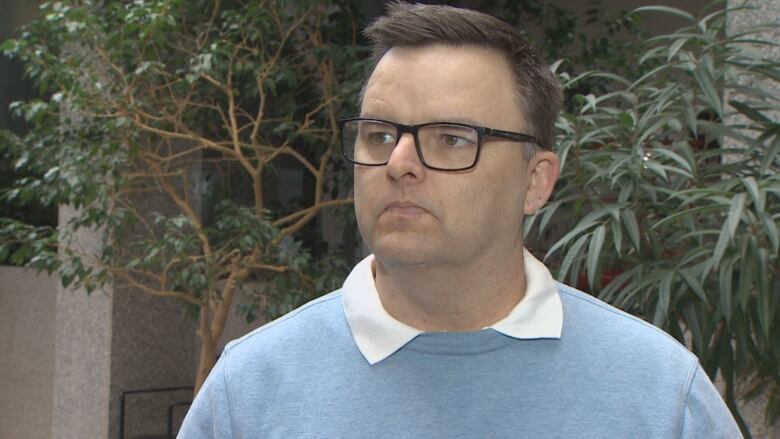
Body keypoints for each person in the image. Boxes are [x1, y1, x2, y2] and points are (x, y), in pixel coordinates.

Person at [179, 2, 742, 438]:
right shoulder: (249, 392)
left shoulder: (661, 396)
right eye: (379, 134)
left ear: (536, 181)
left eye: (451, 139)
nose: (399, 163)